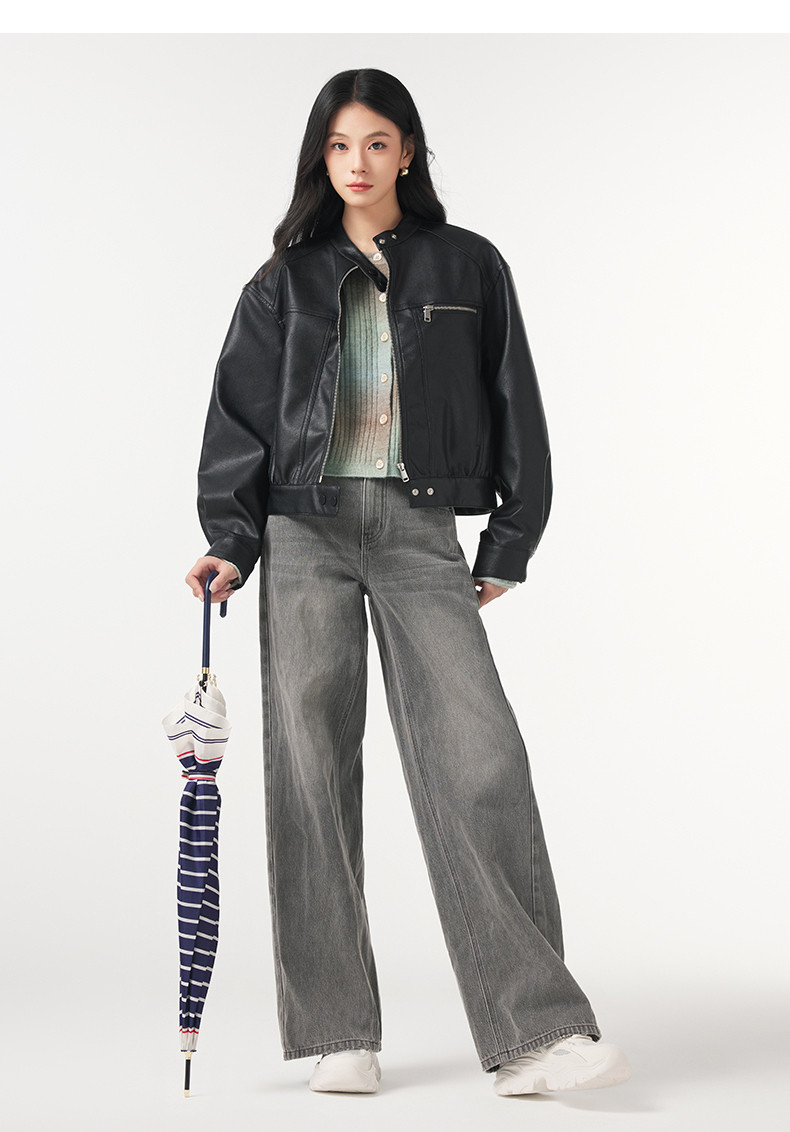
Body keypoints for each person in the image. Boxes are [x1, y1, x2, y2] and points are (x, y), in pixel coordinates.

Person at [184, 67, 631, 1098]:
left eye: (377, 143)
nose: (357, 163)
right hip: (304, 531)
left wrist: (508, 541)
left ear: (408, 151)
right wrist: (231, 543)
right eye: (340, 145)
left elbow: (514, 398)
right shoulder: (282, 281)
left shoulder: (468, 263)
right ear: (321, 155)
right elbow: (238, 420)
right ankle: (336, 1032)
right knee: (309, 772)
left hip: (418, 528)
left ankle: (535, 1035)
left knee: (479, 760)